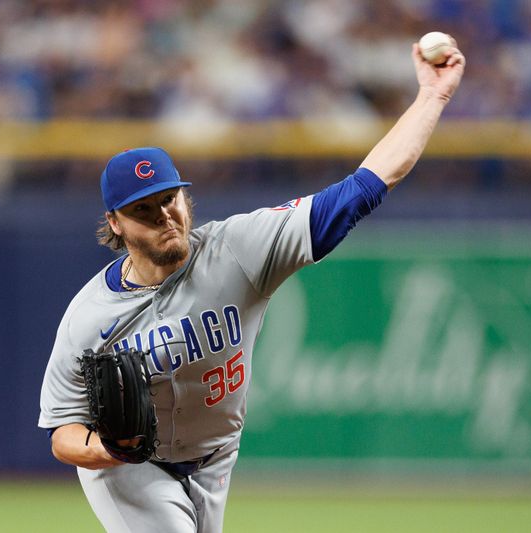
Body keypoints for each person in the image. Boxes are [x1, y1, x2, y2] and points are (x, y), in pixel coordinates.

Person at [39, 40, 465, 533]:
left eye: (169, 198)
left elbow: (364, 186)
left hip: (215, 460)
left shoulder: (237, 250)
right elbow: (63, 433)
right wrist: (107, 449)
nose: (164, 216)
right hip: (130, 470)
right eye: (143, 210)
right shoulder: (89, 315)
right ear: (114, 223)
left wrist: (432, 98)